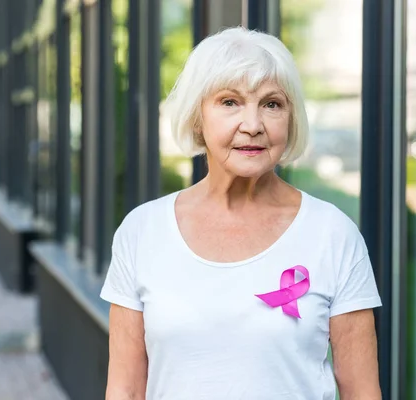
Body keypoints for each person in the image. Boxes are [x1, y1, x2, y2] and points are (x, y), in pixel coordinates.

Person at [100, 26, 382, 400]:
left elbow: (362, 392)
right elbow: (125, 390)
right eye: (229, 102)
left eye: (272, 104)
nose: (252, 125)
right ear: (197, 117)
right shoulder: (141, 232)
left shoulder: (333, 234)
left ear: (290, 118)